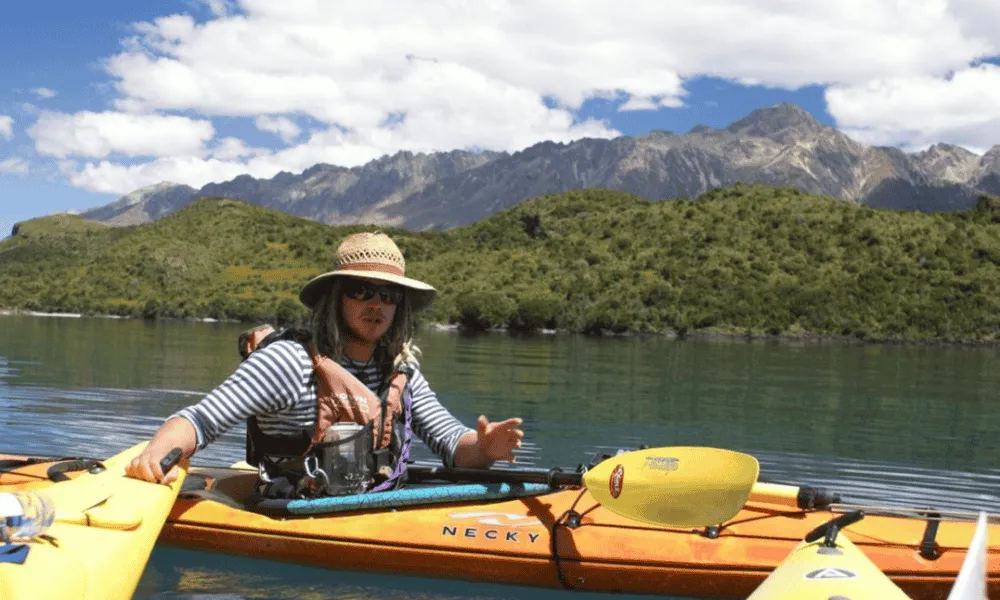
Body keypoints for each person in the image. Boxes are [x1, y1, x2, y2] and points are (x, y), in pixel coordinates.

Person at [126, 231, 524, 498]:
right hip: (291, 515)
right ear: (335, 297)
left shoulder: (403, 372)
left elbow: (454, 445)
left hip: (374, 510)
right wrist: (156, 453)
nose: (376, 304)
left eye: (389, 295)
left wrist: (486, 446)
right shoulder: (285, 362)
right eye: (361, 290)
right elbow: (200, 420)